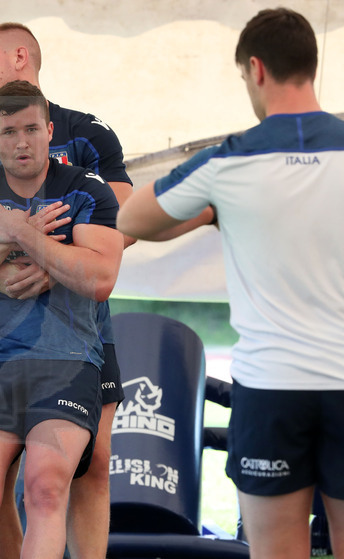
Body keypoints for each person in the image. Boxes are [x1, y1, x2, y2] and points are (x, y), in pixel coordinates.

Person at [116, 8, 344, 559]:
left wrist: (214, 211)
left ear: (256, 69)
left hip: (271, 388)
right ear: (312, 67)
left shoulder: (228, 160)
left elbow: (132, 219)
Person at [0, 22, 130, 558]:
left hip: (79, 328)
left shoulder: (88, 133)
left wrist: (51, 261)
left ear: (20, 56)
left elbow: (123, 223)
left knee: (89, 464)